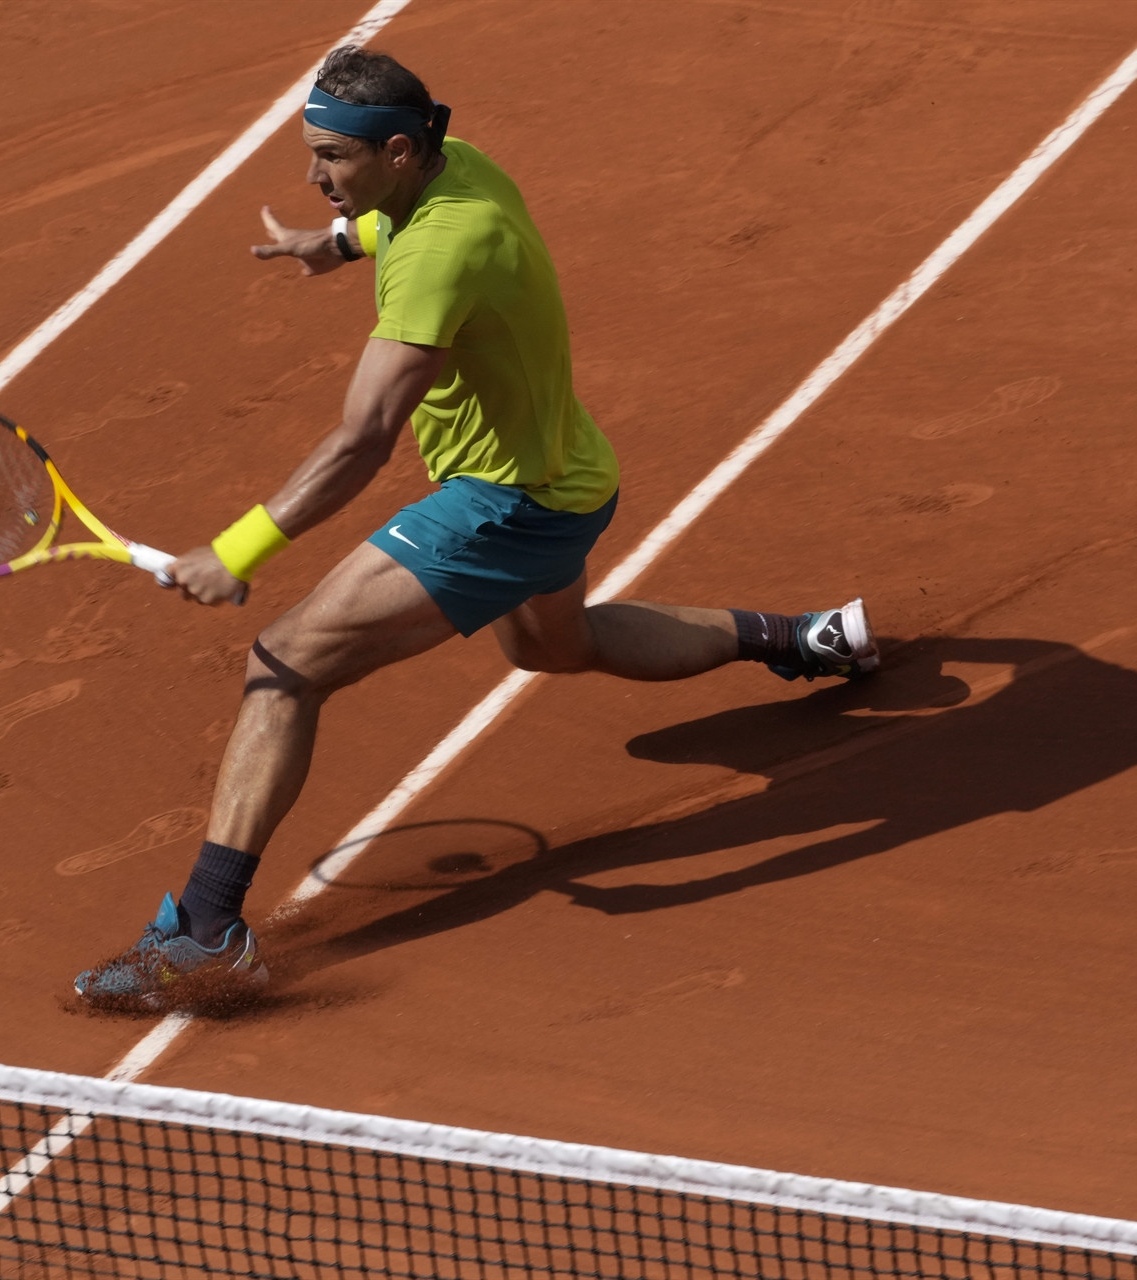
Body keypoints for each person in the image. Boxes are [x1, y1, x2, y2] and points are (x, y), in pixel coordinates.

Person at [75, 46, 877, 1008]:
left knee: (284, 664)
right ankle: (801, 638)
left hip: (504, 505)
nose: (313, 173)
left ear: (397, 150)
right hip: (572, 472)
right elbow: (392, 219)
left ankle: (208, 931)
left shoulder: (439, 260)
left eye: (330, 156)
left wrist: (238, 549)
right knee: (555, 647)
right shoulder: (458, 166)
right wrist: (333, 242)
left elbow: (363, 440)